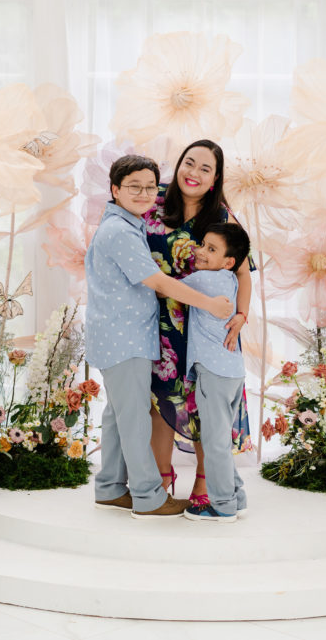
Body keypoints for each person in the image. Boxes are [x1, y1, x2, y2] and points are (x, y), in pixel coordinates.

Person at [87, 155, 234, 519]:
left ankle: (108, 487)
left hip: (122, 335)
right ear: (115, 189)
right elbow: (156, 281)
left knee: (117, 415)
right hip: (125, 338)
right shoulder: (120, 231)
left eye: (150, 187)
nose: (144, 193)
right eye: (134, 186)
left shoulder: (128, 223)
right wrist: (209, 304)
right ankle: (148, 496)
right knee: (134, 416)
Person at [143, 139, 252, 505]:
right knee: (158, 400)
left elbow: (244, 271)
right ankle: (161, 476)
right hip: (154, 319)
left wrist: (241, 315)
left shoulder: (221, 216)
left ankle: (205, 481)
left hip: (203, 325)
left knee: (202, 404)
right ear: (179, 165)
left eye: (205, 169)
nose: (194, 173)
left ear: (215, 177)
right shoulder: (153, 200)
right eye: (189, 163)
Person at [179, 223, 250, 522]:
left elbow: (166, 285)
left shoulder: (206, 281)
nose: (200, 252)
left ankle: (222, 505)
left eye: (211, 249)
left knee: (215, 442)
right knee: (220, 438)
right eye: (202, 245)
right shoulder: (229, 280)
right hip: (232, 371)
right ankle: (237, 496)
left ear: (228, 262)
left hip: (215, 371)